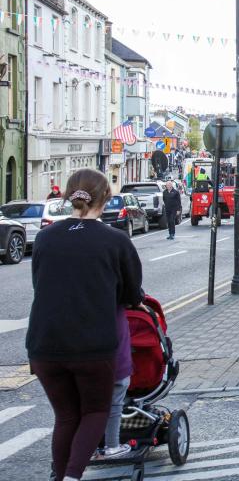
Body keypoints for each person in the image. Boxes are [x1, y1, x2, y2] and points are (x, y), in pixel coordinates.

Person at [26, 169, 143, 481]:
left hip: (44, 345)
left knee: (66, 416)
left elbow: (40, 283)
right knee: (94, 411)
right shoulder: (115, 240)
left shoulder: (46, 237)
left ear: (68, 196)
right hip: (92, 346)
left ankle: (60, 474)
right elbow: (133, 294)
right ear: (105, 199)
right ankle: (72, 476)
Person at [98, 305, 133, 459]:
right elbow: (132, 291)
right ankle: (112, 445)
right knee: (116, 393)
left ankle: (89, 448)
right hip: (112, 345)